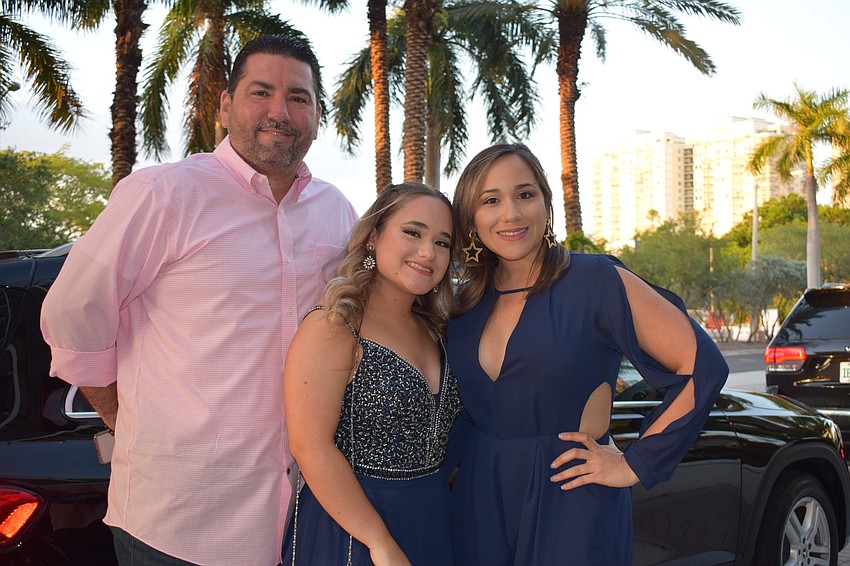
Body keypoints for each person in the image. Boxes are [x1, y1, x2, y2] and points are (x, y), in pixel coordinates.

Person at [40, 35, 358, 566]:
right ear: (225, 105)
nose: (280, 111)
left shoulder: (337, 211)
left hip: (301, 524)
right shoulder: (162, 194)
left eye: (299, 98)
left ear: (317, 113)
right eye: (262, 92)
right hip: (178, 526)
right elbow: (71, 313)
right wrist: (120, 415)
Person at [445, 143, 728, 565]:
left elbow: (702, 366)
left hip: (570, 498)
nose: (512, 214)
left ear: (546, 201)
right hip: (478, 498)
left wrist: (633, 464)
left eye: (525, 194)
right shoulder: (465, 303)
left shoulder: (595, 280)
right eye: (491, 200)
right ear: (471, 217)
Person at [281, 183, 462, 566]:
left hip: (433, 520)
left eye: (443, 242)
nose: (428, 251)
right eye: (412, 232)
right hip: (353, 530)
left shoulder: (438, 330)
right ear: (373, 238)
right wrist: (379, 542)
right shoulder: (334, 325)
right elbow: (310, 446)